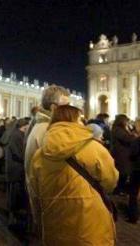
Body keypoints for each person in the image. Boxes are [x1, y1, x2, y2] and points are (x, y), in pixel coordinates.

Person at [26, 105, 119, 245]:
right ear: (75, 121)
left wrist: (39, 222)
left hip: (54, 221)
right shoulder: (95, 148)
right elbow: (111, 181)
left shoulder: (39, 155)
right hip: (91, 221)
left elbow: (34, 193)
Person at [5, 118, 30, 233]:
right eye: (26, 128)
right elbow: (19, 153)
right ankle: (13, 218)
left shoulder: (15, 134)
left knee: (13, 192)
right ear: (23, 127)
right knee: (14, 194)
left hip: (13, 169)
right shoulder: (18, 136)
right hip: (16, 169)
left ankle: (13, 215)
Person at [110, 114, 137, 195]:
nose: (127, 122)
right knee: (122, 173)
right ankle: (119, 189)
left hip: (123, 153)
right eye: (126, 121)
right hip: (121, 153)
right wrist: (133, 136)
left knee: (124, 172)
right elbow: (126, 139)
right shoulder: (118, 130)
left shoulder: (120, 129)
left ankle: (120, 189)